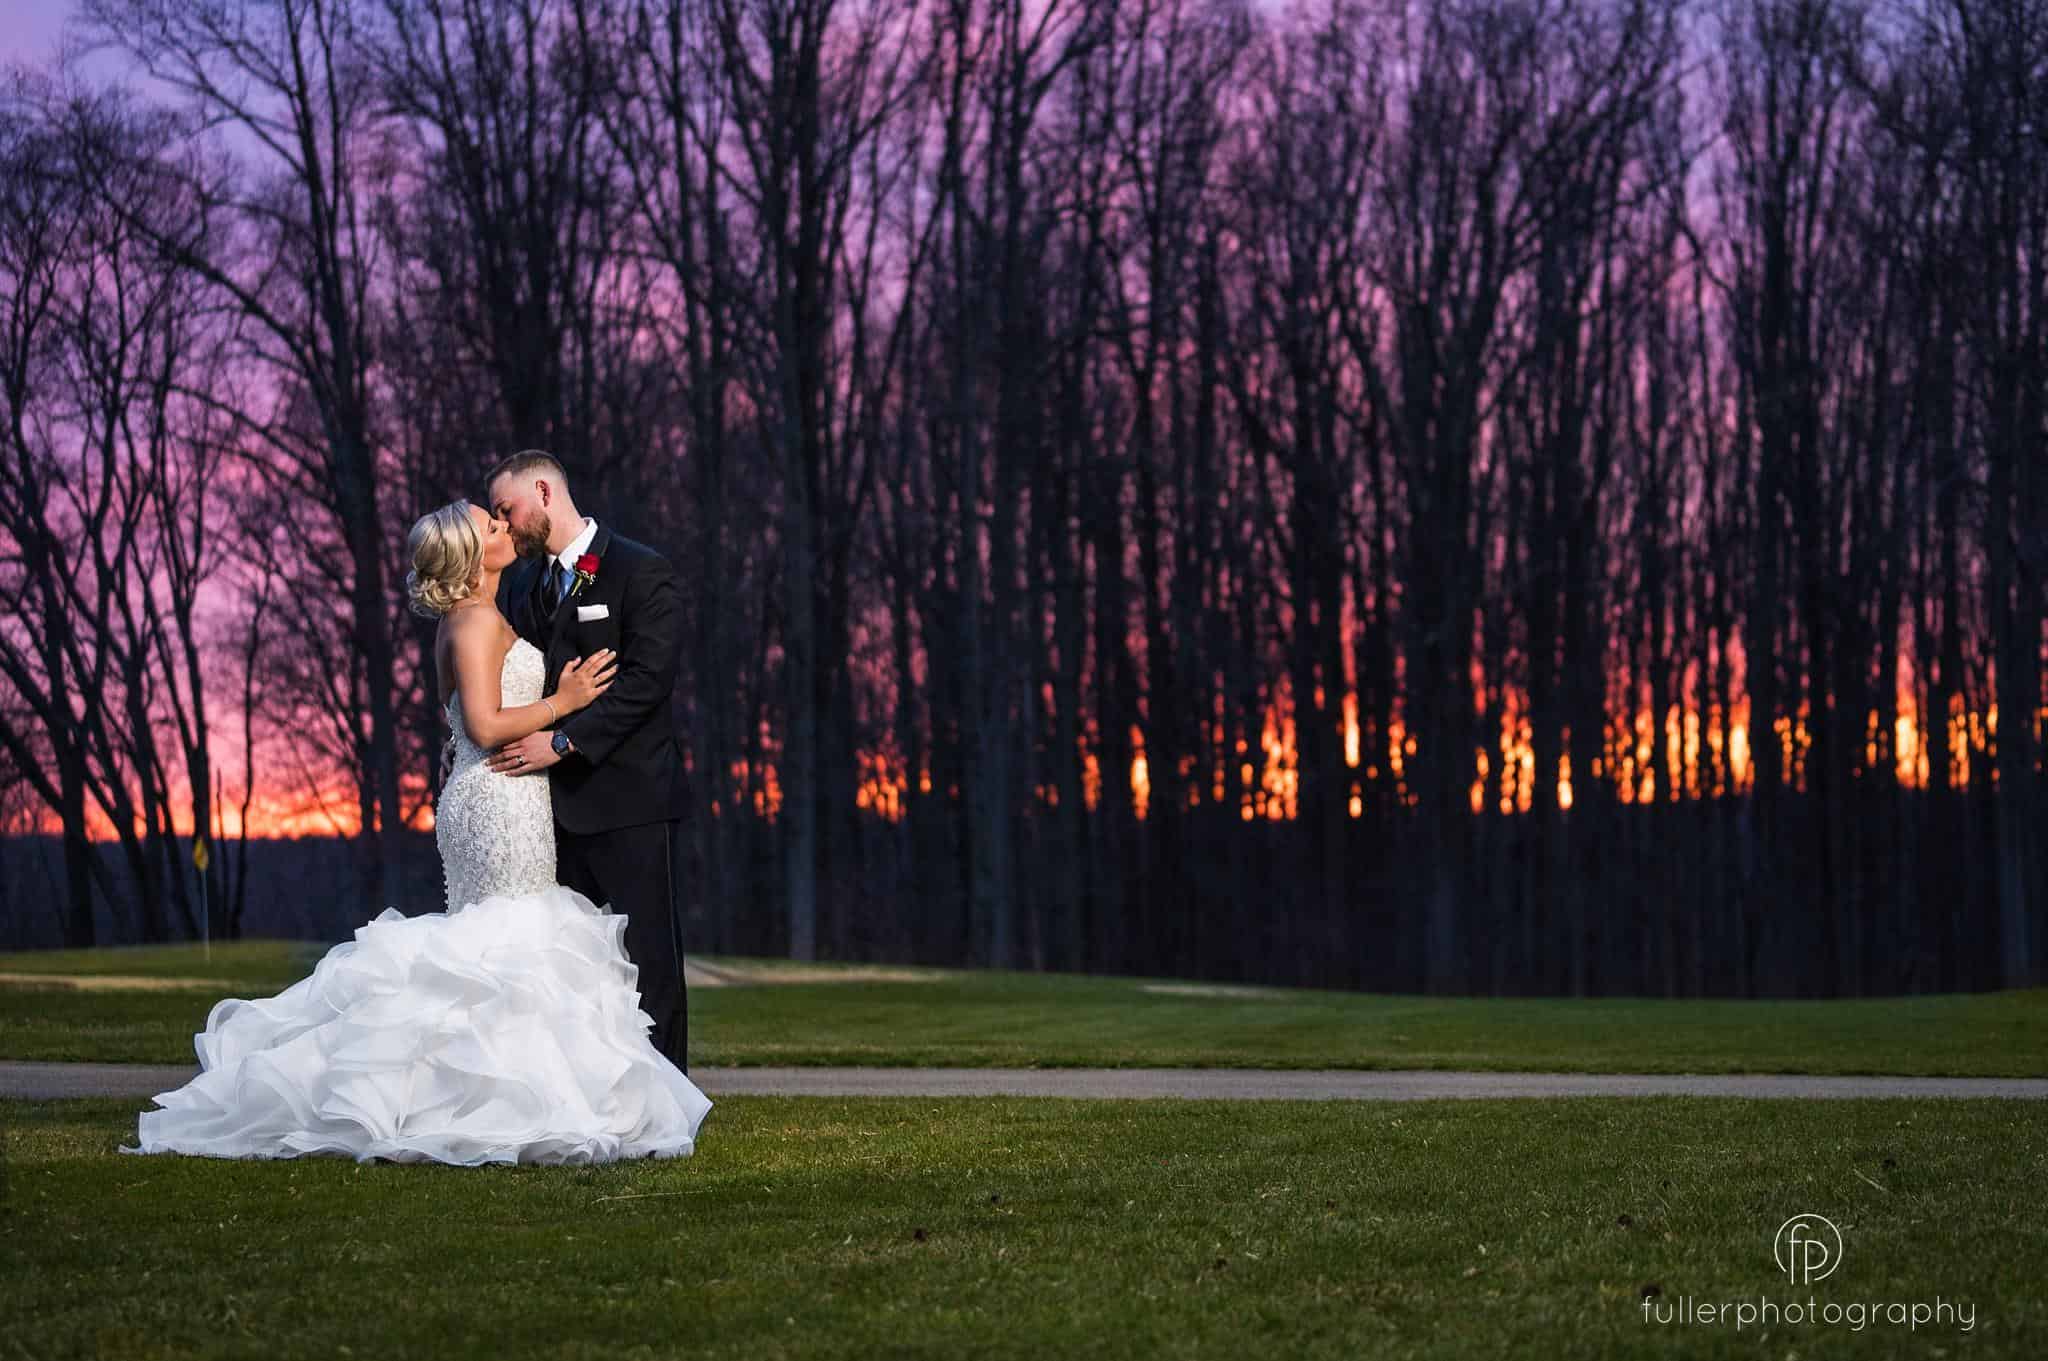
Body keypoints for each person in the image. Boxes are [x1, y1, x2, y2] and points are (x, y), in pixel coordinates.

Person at [120, 500, 711, 1166]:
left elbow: (462, 721)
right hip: (497, 792)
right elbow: (485, 726)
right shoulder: (472, 620)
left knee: (511, 939)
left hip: (501, 791)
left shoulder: (487, 612)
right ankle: (487, 1097)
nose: (503, 528)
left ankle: (511, 1088)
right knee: (505, 936)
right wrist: (562, 705)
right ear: (470, 553)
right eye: (491, 527)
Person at [481, 450, 693, 1073]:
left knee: (648, 961)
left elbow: (648, 682)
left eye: (507, 508)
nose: (504, 522)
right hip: (545, 815)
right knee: (568, 967)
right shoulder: (519, 586)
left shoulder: (641, 571)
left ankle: (669, 1101)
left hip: (628, 802)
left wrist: (565, 741)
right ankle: (591, 1095)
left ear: (544, 492)